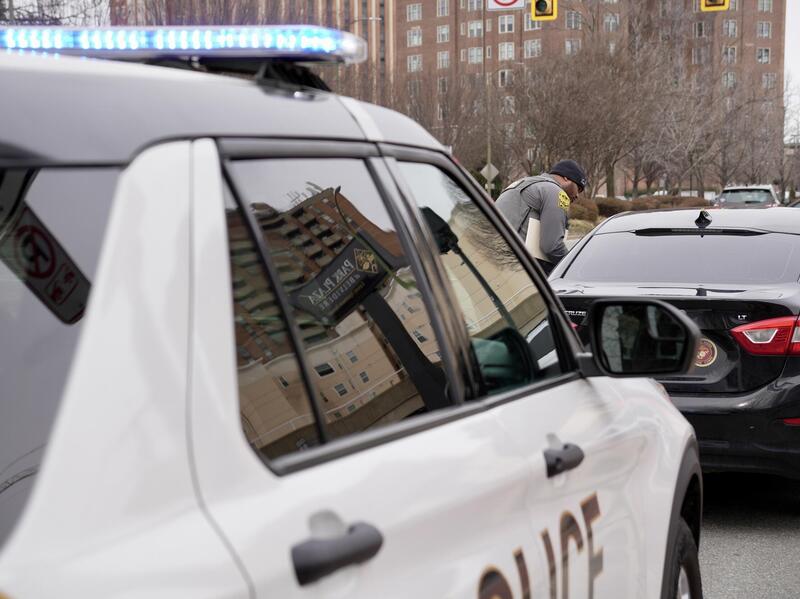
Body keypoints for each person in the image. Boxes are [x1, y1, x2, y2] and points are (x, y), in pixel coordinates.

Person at [495, 159, 588, 275]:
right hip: (514, 266)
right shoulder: (556, 192)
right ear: (566, 178)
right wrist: (573, 268)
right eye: (578, 188)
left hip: (493, 255)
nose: (577, 195)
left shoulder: (525, 183)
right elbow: (552, 246)